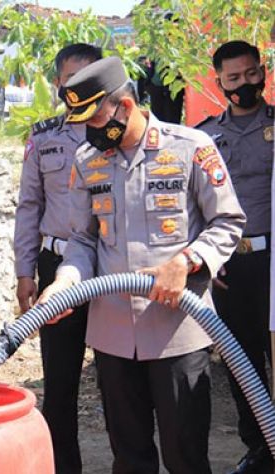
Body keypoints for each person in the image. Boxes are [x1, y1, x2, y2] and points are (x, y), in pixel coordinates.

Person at [40, 56, 246, 473]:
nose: (87, 130)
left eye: (94, 118)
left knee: (185, 456)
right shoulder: (86, 161)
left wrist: (186, 262)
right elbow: (82, 239)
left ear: (125, 107)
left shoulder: (190, 147)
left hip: (177, 331)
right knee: (129, 457)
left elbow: (228, 221)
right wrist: (65, 281)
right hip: (113, 334)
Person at [14, 43, 102, 474]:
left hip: (115, 271)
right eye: (71, 80)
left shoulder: (118, 130)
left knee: (123, 381)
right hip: (57, 271)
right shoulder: (44, 136)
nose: (81, 88)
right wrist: (24, 272)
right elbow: (29, 206)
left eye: (90, 78)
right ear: (58, 84)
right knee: (61, 381)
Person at [196, 40, 274, 474]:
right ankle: (260, 447)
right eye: (234, 79)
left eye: (251, 74)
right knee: (241, 361)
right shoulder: (205, 137)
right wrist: (208, 258)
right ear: (220, 82)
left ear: (262, 72)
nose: (245, 84)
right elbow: (195, 206)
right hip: (230, 267)